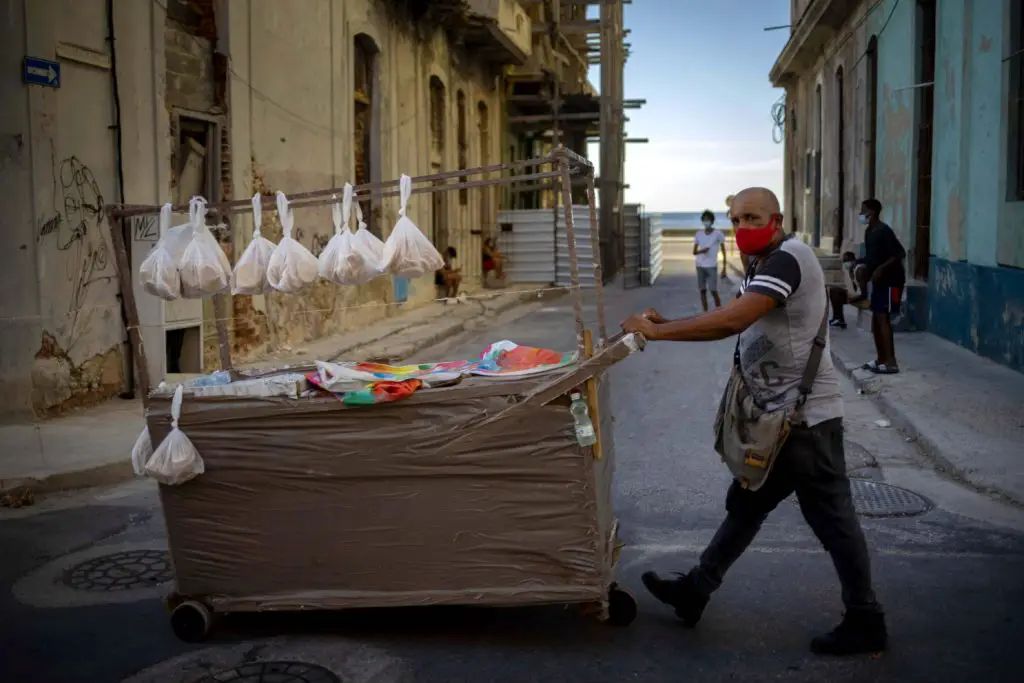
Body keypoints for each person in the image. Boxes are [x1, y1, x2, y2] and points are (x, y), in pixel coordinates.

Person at [620, 187, 887, 656]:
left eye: (752, 218)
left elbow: (732, 322)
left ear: (776, 219)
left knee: (834, 521)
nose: (742, 227)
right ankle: (696, 590)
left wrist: (657, 332)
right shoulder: (763, 263)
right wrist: (671, 320)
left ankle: (866, 618)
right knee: (746, 505)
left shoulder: (786, 258)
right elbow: (729, 313)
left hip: (805, 422)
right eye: (736, 219)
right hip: (778, 420)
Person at [859, 199, 906, 374]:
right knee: (875, 320)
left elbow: (899, 254)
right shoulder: (869, 232)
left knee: (883, 318)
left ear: (871, 212)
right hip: (878, 282)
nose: (860, 214)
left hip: (891, 281)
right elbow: (871, 257)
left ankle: (891, 362)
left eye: (863, 211)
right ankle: (881, 359)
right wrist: (859, 265)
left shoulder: (884, 231)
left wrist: (881, 268)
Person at [693, 209, 728, 311]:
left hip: (712, 266)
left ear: (712, 221)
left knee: (713, 291)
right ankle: (705, 313)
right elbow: (694, 252)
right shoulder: (698, 234)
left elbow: (723, 251)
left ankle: (719, 313)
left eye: (708, 220)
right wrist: (702, 251)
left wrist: (724, 268)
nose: (706, 222)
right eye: (704, 220)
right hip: (699, 265)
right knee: (702, 291)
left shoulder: (718, 234)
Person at [827, 251, 869, 329]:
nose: (844, 263)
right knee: (833, 290)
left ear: (853, 261)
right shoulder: (850, 270)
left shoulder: (859, 270)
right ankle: (838, 319)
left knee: (837, 295)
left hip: (862, 297)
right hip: (856, 295)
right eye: (843, 261)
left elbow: (864, 294)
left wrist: (851, 299)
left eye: (846, 261)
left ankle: (839, 319)